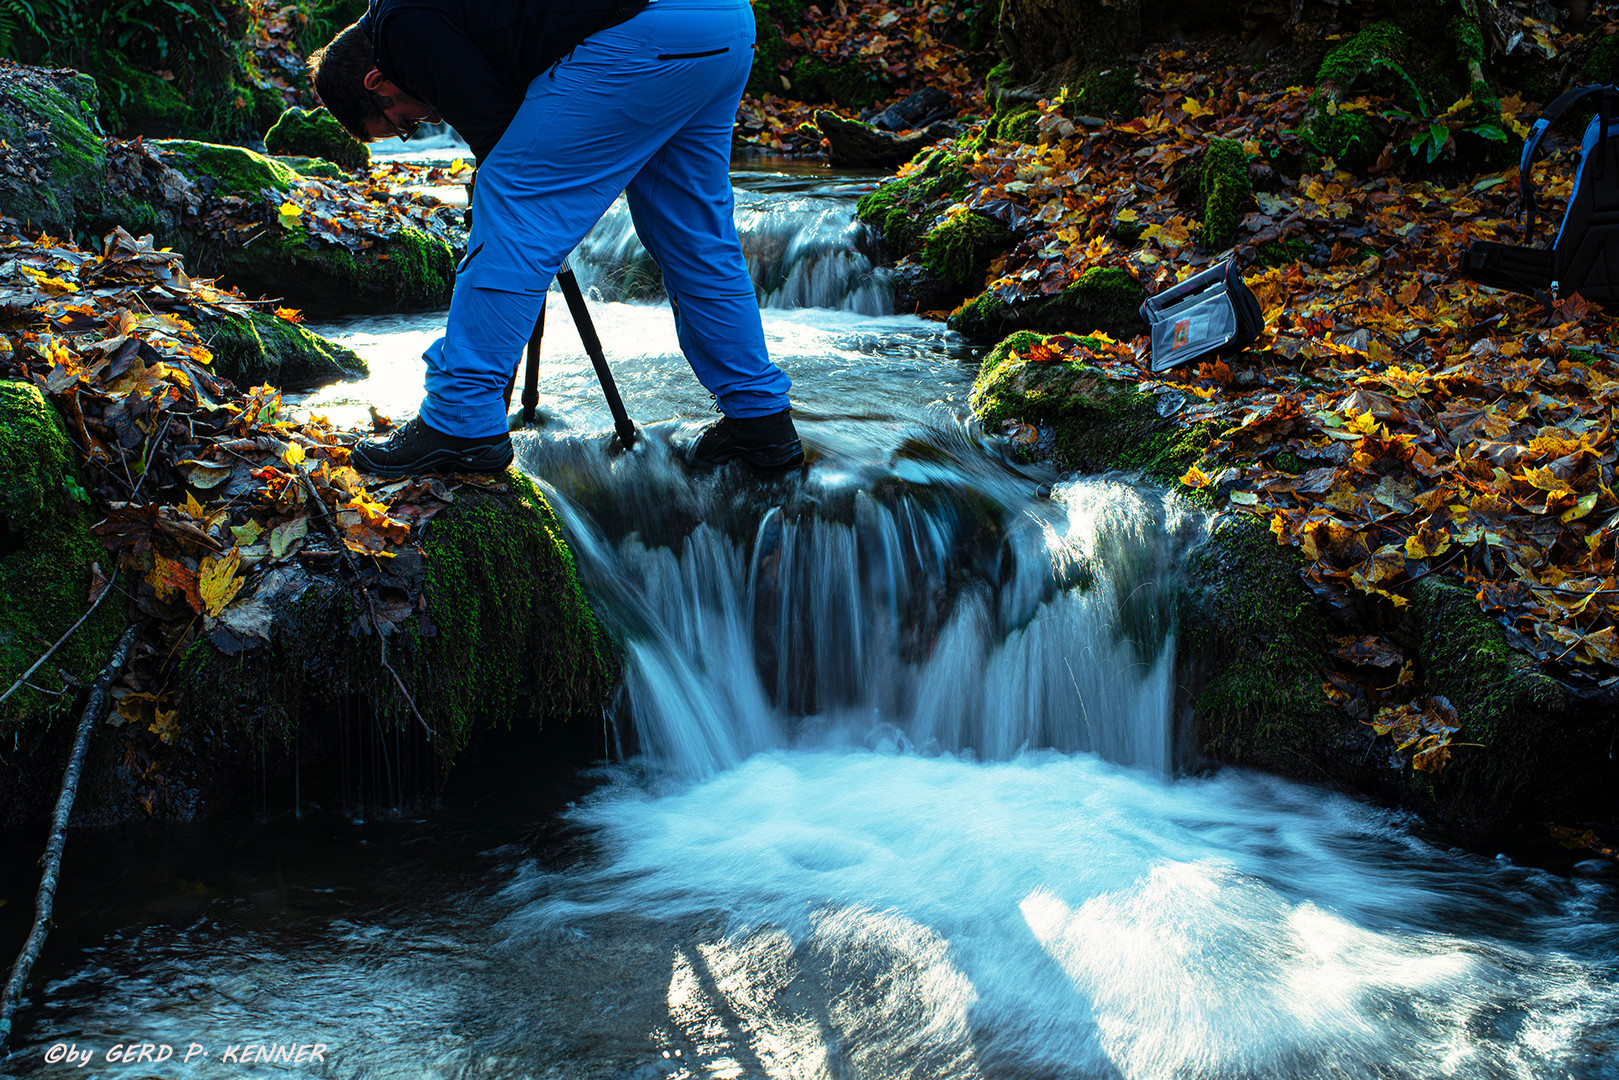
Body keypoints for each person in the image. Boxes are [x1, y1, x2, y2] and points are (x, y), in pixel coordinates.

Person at [307, 0, 804, 477]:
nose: (429, 122)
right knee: (694, 234)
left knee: (513, 199)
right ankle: (759, 418)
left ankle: (460, 418)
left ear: (376, 80)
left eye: (404, 123)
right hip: (724, 22)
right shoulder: (429, 14)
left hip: (652, 32)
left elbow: (503, 145)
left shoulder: (402, 26)